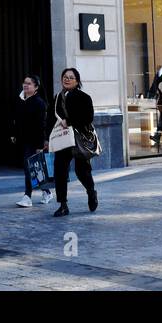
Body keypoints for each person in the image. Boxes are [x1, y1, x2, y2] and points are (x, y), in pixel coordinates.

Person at [48, 68, 99, 216]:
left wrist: (69, 121)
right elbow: (51, 118)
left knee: (82, 171)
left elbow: (88, 117)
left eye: (71, 77)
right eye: (65, 77)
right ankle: (63, 205)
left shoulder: (84, 97)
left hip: (79, 139)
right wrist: (47, 138)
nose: (67, 79)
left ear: (77, 81)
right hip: (62, 139)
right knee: (60, 171)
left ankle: (91, 192)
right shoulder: (57, 97)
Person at [13, 75, 50, 206]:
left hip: (34, 141)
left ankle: (27, 196)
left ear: (36, 87)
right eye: (24, 83)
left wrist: (40, 145)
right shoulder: (21, 100)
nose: (25, 85)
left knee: (30, 168)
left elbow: (41, 125)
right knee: (35, 169)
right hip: (24, 140)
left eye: (29, 83)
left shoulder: (39, 103)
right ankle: (47, 191)